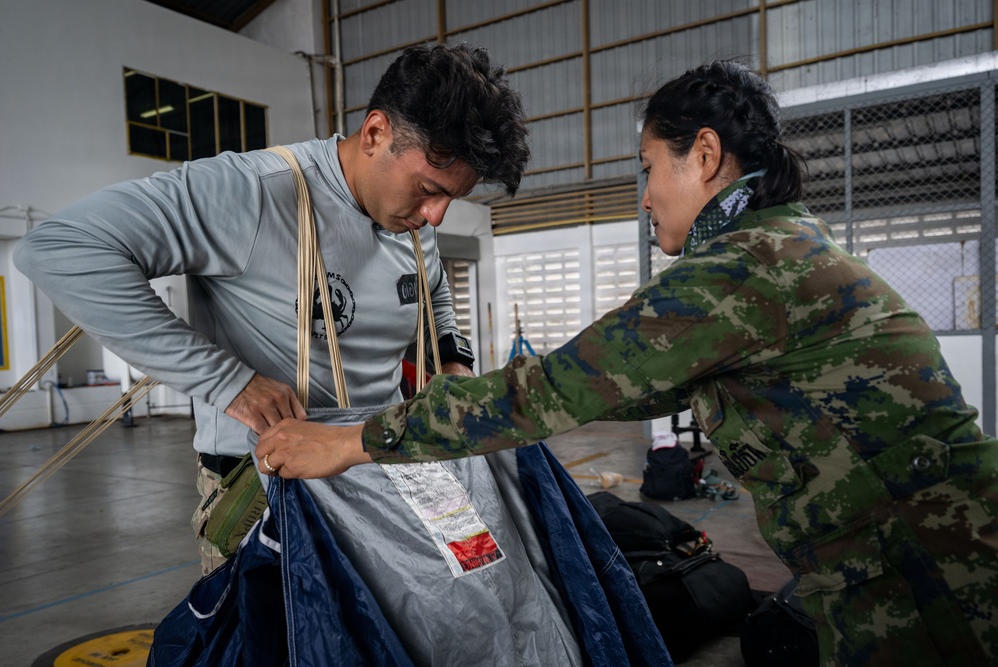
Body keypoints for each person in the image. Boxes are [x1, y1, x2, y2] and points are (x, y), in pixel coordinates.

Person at [257, 60, 998, 666]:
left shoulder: (740, 273)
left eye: (649, 168)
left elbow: (555, 390)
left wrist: (353, 441)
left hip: (925, 573)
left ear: (704, 155)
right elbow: (609, 390)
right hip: (915, 555)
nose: (644, 197)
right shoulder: (783, 247)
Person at [13, 42, 526, 575]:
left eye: (451, 198)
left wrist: (452, 360)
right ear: (376, 133)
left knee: (419, 613)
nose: (437, 216)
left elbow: (434, 286)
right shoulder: (251, 192)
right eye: (428, 190)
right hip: (270, 475)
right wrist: (227, 381)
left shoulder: (410, 223)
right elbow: (59, 249)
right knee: (281, 636)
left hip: (381, 454)